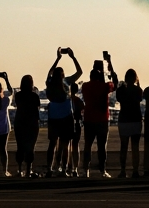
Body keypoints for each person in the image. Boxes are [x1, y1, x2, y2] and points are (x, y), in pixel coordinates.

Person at [44, 48, 81, 176]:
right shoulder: (66, 82)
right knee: (66, 144)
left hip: (54, 116)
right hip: (66, 116)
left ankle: (49, 168)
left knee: (52, 143)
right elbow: (79, 72)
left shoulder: (50, 82)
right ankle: (64, 169)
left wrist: (57, 58)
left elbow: (49, 72)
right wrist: (73, 57)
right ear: (63, 75)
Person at [82, 55, 116, 178]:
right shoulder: (104, 87)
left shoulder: (85, 86)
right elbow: (114, 83)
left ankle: (85, 169)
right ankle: (102, 170)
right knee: (102, 147)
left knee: (87, 145)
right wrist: (109, 64)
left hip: (89, 119)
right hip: (102, 119)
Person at [114, 67, 143, 178]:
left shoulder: (121, 90)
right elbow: (139, 98)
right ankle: (135, 170)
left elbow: (119, 99)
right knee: (135, 147)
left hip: (124, 120)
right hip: (135, 119)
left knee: (124, 146)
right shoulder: (138, 90)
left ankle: (123, 170)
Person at [13, 75, 41, 178]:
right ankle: (29, 170)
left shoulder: (18, 95)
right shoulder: (35, 96)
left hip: (20, 122)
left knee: (20, 146)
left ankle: (20, 170)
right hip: (32, 123)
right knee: (30, 147)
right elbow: (37, 108)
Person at [68, 78, 84, 176]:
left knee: (67, 145)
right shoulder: (78, 100)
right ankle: (75, 168)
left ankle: (68, 166)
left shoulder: (68, 100)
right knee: (75, 145)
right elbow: (83, 110)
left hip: (68, 123)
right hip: (77, 123)